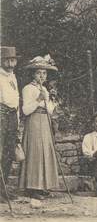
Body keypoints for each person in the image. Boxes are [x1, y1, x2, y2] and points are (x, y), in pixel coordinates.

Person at [18, 55, 60, 200]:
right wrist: (38, 99)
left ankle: (42, 185)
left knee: (45, 151)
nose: (41, 76)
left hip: (45, 121)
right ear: (33, 74)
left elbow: (49, 110)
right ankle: (31, 187)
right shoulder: (28, 89)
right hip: (34, 121)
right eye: (38, 73)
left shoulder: (46, 90)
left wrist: (51, 100)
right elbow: (25, 110)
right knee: (35, 151)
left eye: (44, 73)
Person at [0, 46, 20, 203]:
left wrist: (18, 120)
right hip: (2, 116)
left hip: (13, 116)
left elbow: (16, 101)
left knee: (9, 153)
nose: (11, 62)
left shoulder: (13, 77)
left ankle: (3, 188)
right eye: (8, 59)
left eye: (13, 59)